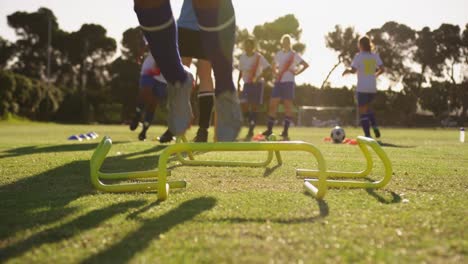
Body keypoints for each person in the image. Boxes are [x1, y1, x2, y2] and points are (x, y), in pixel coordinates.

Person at [134, 0, 241, 142]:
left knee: (185, 74)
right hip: (202, 25)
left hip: (192, 26)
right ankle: (201, 130)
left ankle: (185, 127)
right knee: (203, 76)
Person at [262, 34, 309, 140]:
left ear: (290, 43)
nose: (285, 43)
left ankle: (285, 131)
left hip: (289, 82)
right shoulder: (279, 53)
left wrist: (296, 72)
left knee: (288, 106)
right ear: (282, 43)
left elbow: (305, 65)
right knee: (272, 104)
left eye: (287, 41)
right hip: (279, 82)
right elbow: (273, 65)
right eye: (284, 41)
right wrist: (275, 72)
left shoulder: (294, 55)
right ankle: (269, 130)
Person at [342, 36, 384, 138]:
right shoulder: (374, 56)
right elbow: (382, 68)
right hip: (372, 87)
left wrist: (346, 70)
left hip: (362, 87)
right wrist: (375, 75)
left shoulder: (359, 56)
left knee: (362, 112)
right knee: (368, 109)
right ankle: (374, 127)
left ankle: (367, 135)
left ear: (360, 45)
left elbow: (353, 70)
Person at [129, 40, 168, 141]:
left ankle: (144, 131)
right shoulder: (157, 29)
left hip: (163, 77)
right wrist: (140, 53)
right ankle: (137, 115)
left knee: (152, 105)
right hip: (149, 70)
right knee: (144, 94)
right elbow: (147, 43)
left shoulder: (176, 34)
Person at [237, 38, 270, 139]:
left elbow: (268, 68)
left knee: (254, 107)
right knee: (243, 104)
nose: (247, 47)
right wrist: (238, 82)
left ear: (253, 46)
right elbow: (241, 71)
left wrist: (259, 77)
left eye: (249, 45)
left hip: (257, 85)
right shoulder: (242, 57)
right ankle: (249, 120)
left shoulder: (259, 57)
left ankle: (251, 129)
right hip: (247, 84)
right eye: (245, 45)